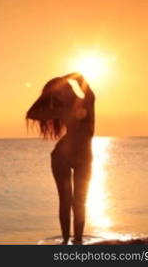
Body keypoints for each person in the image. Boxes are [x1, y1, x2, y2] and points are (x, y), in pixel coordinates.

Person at [26, 72, 95, 244]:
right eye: (55, 94)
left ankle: (78, 241)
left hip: (84, 158)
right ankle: (65, 241)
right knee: (65, 200)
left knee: (79, 201)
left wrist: (65, 78)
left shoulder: (87, 101)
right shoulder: (59, 110)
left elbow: (81, 79)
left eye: (61, 91)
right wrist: (46, 97)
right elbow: (32, 113)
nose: (59, 95)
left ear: (68, 89)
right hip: (61, 157)